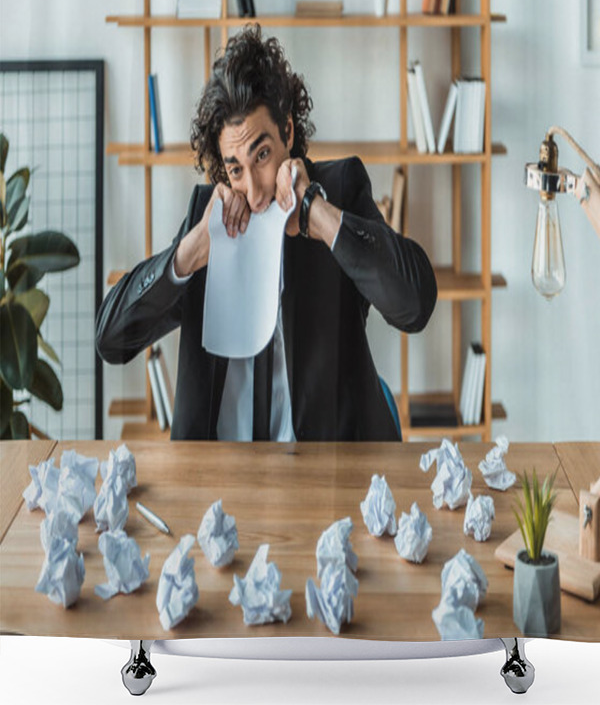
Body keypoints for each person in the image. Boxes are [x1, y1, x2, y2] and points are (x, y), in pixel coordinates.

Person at [96, 25, 437, 442]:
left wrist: (317, 213)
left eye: (262, 155)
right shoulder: (208, 219)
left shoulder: (340, 187)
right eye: (236, 168)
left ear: (288, 133)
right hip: (218, 482)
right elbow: (111, 341)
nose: (255, 192)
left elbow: (415, 306)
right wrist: (189, 254)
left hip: (322, 479)